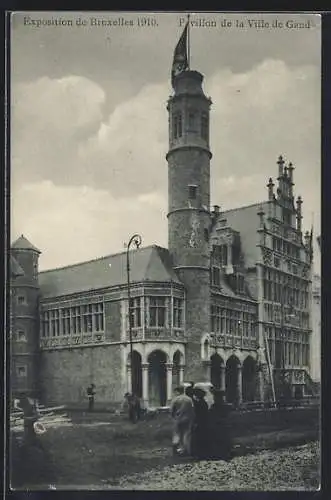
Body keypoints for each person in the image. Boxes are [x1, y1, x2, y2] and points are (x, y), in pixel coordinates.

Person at [170, 386, 195, 457]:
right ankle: (185, 450)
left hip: (178, 419)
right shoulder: (189, 399)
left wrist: (173, 417)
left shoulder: (175, 399)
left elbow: (171, 410)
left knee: (177, 434)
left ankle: (175, 450)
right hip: (187, 419)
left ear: (178, 391)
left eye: (175, 392)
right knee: (186, 434)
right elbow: (192, 409)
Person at [208, 389, 233, 460]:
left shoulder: (219, 406)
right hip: (221, 425)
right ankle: (222, 454)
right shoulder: (224, 406)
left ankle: (222, 454)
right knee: (221, 439)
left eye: (216, 397)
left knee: (221, 439)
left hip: (220, 425)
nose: (215, 398)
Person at [191, 387, 209, 459]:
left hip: (200, 422)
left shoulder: (200, 403)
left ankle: (200, 454)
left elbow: (197, 413)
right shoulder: (203, 402)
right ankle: (202, 453)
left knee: (199, 438)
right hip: (204, 422)